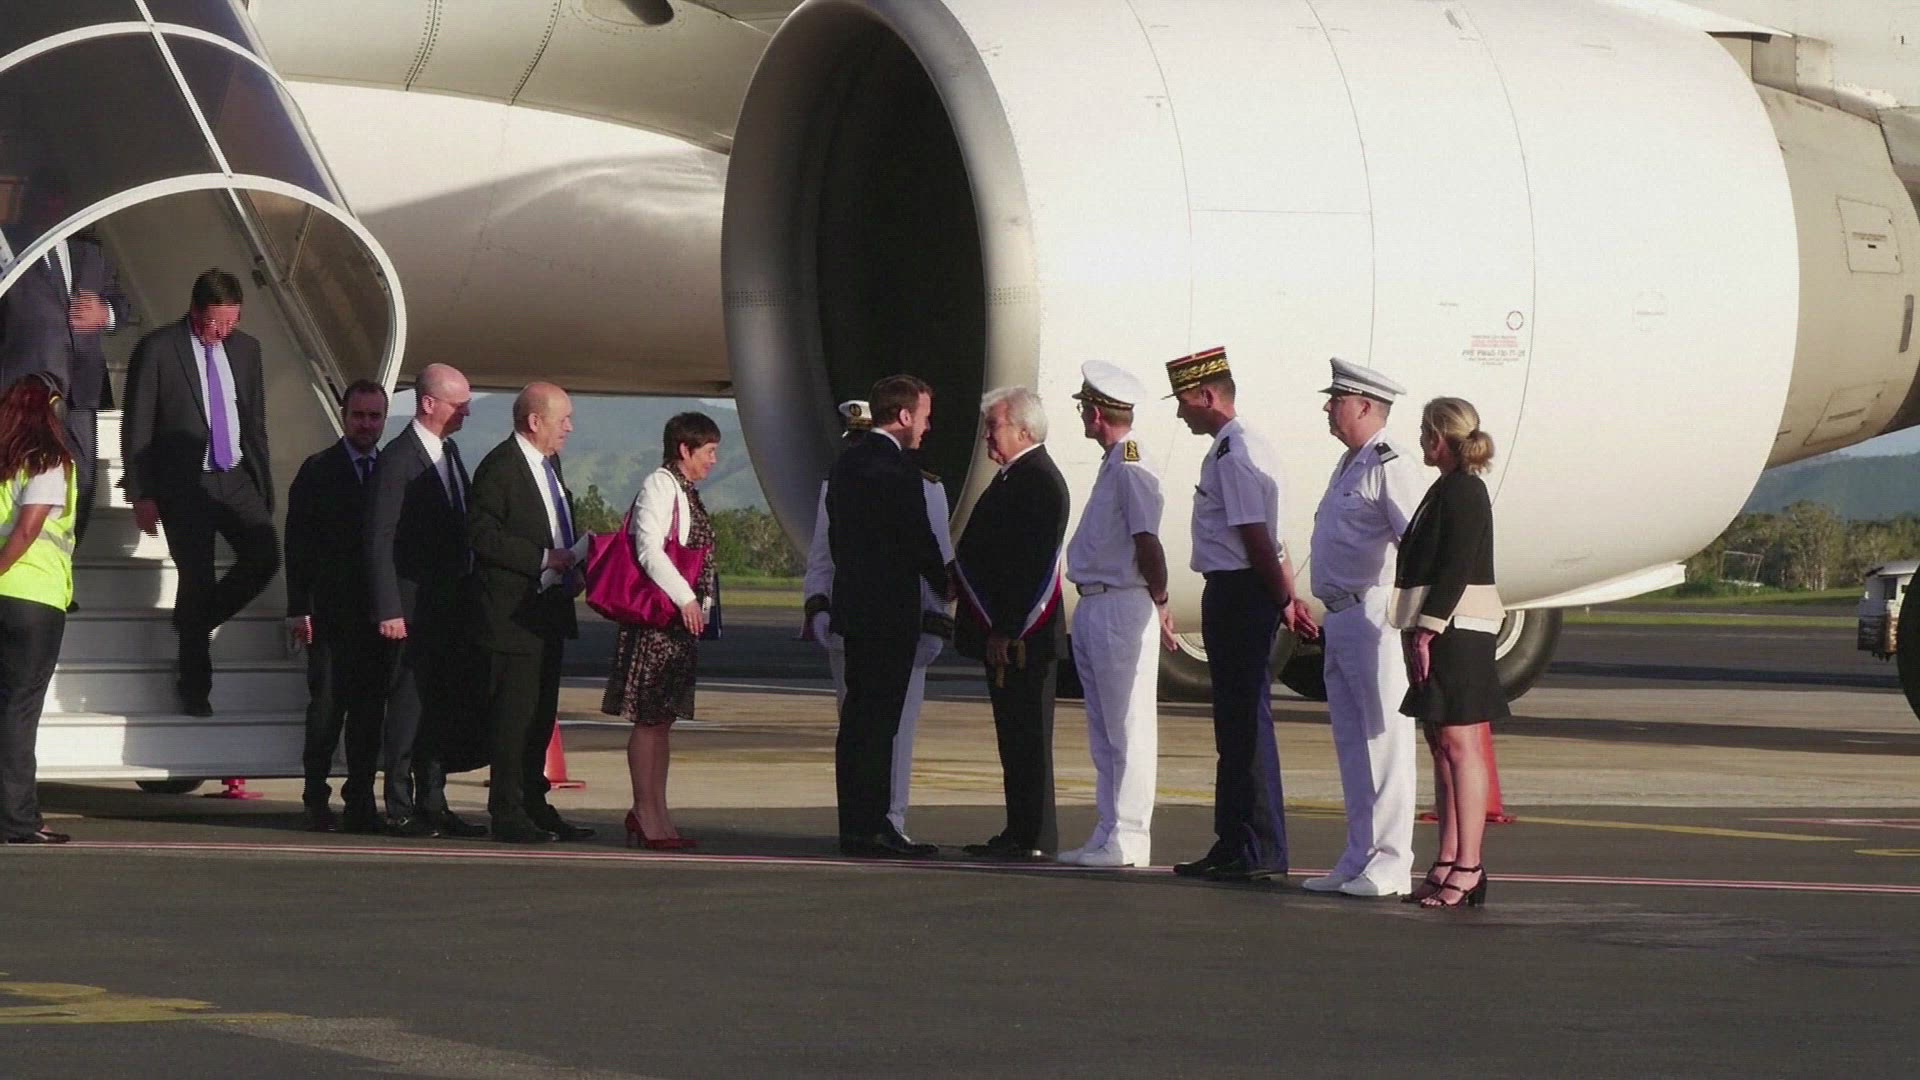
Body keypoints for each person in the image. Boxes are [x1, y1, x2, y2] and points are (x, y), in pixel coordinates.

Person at [1164, 347, 1318, 884]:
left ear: (1208, 396)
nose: (1180, 412)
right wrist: (1285, 595)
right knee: (1234, 725)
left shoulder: (1236, 452)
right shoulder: (1239, 446)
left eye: (1184, 401)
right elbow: (1273, 539)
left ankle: (1256, 846)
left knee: (1244, 724)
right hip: (1241, 589)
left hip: (1240, 592)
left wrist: (1283, 600)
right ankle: (1235, 840)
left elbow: (1256, 536)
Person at [120, 269, 278, 717]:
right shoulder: (158, 349)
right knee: (197, 577)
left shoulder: (247, 350)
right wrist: (141, 492)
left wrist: (262, 483)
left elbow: (254, 422)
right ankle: (194, 685)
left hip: (235, 475)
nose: (223, 331)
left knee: (265, 555)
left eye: (232, 321)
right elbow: (137, 425)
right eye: (215, 322)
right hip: (182, 483)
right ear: (194, 311)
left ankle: (194, 622)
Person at [1300, 359, 1429, 899]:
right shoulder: (1349, 462)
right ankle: (1358, 856)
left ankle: (1392, 862)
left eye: (1336, 399)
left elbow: (1417, 543)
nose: (1328, 408)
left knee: (1384, 740)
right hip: (1341, 615)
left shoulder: (1388, 462)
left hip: (1375, 615)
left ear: (1365, 405)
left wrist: (1417, 623)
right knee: (1353, 744)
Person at [801, 400, 953, 842]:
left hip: (903, 621)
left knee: (893, 729)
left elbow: (936, 555)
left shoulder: (925, 485)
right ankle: (866, 822)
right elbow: (823, 555)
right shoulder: (840, 482)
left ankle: (891, 818)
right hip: (860, 619)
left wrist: (936, 620)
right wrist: (818, 606)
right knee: (862, 726)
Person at [1394, 396, 1509, 908]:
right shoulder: (1447, 486)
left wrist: (1428, 627)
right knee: (1441, 743)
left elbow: (1456, 565)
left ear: (1438, 437)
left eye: (1425, 431)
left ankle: (1469, 864)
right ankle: (1446, 859)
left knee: (1460, 744)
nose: (1421, 440)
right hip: (1439, 624)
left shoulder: (1465, 490)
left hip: (1457, 627)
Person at [469, 383, 595, 843]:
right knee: (513, 718)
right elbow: (481, 536)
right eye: (563, 419)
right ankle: (507, 810)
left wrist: (573, 567)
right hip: (512, 616)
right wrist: (544, 558)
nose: (570, 428)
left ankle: (535, 804)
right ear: (534, 421)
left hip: (548, 612)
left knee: (540, 718)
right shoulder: (500, 467)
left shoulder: (549, 466)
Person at [1058, 362, 1173, 868]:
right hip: (1096, 601)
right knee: (1105, 729)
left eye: (1085, 407)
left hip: (1122, 602)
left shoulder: (1130, 462)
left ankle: (1129, 836)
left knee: (1128, 726)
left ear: (1097, 413)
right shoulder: (1114, 462)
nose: (1083, 415)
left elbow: (1147, 539)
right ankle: (1108, 829)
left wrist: (1160, 599)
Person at [366, 363, 486, 839]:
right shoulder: (398, 459)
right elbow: (379, 537)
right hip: (411, 607)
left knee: (439, 706)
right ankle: (398, 805)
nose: (466, 413)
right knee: (407, 706)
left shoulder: (448, 453)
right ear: (429, 404)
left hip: (446, 605)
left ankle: (433, 801)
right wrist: (388, 608)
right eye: (460, 405)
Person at [954, 386, 1068, 861]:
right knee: (1013, 737)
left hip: (1024, 637)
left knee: (1029, 737)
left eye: (994, 426)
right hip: (1006, 633)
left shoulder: (1038, 480)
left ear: (1023, 430)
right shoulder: (1011, 478)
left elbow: (1031, 564)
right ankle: (1019, 829)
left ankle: (1035, 835)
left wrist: (1005, 627)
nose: (987, 435)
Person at [603, 412, 722, 849]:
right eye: (708, 451)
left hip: (675, 626)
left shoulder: (685, 489)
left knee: (661, 722)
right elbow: (648, 548)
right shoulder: (660, 484)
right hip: (656, 624)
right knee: (649, 721)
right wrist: (686, 598)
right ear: (684, 449)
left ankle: (657, 812)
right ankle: (645, 812)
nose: (713, 460)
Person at [284, 380, 391, 834]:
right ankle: (315, 797)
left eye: (374, 416)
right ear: (344, 417)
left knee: (368, 713)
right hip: (329, 615)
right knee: (327, 709)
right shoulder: (318, 470)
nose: (366, 424)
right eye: (358, 416)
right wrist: (299, 608)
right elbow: (297, 545)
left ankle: (361, 799)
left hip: (377, 617)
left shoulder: (389, 470)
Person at [0, 228, 128, 547]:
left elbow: (122, 305)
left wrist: (106, 312)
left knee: (83, 483)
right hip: (29, 390)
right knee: (25, 476)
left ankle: (66, 559)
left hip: (81, 391)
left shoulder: (90, 250)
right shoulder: (10, 246)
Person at [0, 373, 79, 844]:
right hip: (33, 596)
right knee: (19, 709)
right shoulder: (46, 460)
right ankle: (18, 819)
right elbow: (29, 529)